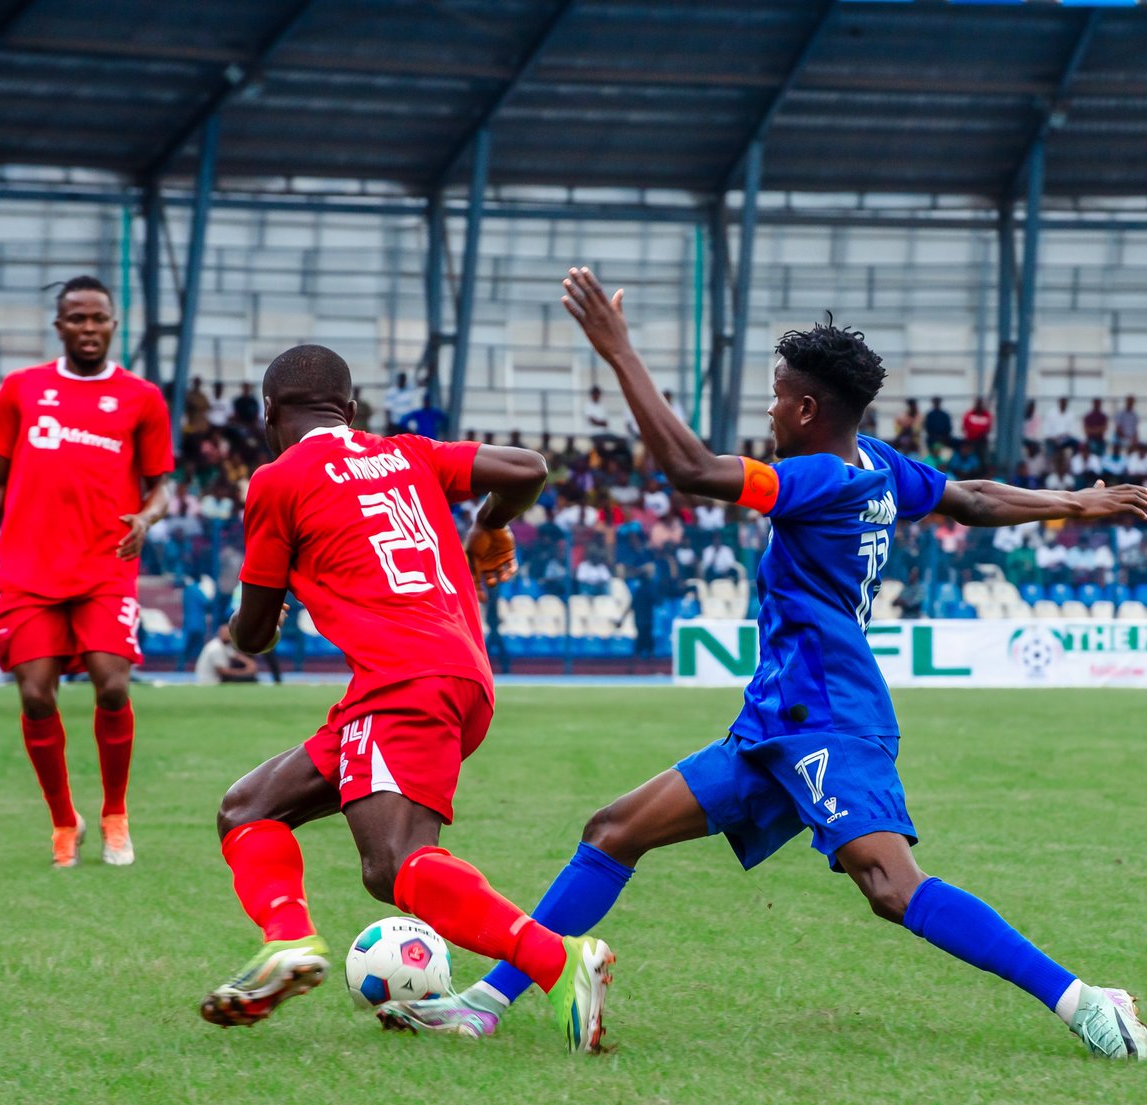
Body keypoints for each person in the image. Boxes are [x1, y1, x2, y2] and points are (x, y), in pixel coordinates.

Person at [378, 267, 1147, 1063]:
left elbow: (690, 471)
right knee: (613, 831)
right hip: (774, 725)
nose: (771, 409)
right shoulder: (876, 465)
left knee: (891, 887)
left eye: (777, 396)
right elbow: (975, 498)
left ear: (808, 409)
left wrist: (619, 352)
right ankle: (482, 1005)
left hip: (830, 721)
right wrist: (1077, 501)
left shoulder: (815, 478)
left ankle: (1086, 1003)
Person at [197, 343, 614, 1053]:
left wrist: (243, 618)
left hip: (403, 679)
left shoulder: (277, 479)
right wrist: (490, 526)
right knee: (247, 809)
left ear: (269, 414)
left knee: (394, 866)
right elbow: (527, 469)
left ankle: (560, 961)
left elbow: (257, 634)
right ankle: (288, 941)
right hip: (454, 674)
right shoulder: (405, 453)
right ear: (351, 411)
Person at [0, 275, 173, 868]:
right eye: (77, 319)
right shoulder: (23, 390)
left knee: (113, 682)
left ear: (113, 324)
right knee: (36, 694)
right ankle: (63, 822)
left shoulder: (142, 397)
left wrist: (146, 518)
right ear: (60, 326)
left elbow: (161, 486)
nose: (89, 329)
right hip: (28, 570)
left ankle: (115, 815)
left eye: (98, 318)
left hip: (105, 565)